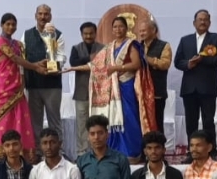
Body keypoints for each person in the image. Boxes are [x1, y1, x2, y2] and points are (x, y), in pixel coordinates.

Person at [67, 16, 157, 161]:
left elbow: (136, 64)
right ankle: (115, 152)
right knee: (113, 119)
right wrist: (72, 68)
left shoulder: (131, 44)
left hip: (126, 86)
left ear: (126, 28)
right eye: (115, 27)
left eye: (121, 26)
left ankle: (132, 153)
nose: (118, 29)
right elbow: (95, 66)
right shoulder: (109, 47)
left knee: (128, 119)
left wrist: (116, 68)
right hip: (113, 89)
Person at [0, 13, 46, 159]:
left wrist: (38, 64)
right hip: (3, 84)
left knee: (20, 116)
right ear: (2, 25)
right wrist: (35, 67)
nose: (11, 27)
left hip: (17, 85)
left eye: (13, 24)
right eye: (8, 24)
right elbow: (14, 58)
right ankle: (2, 152)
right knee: (5, 118)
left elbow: (22, 61)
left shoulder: (18, 44)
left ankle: (22, 151)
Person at [173, 10, 217, 140]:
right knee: (191, 122)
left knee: (208, 122)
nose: (203, 22)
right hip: (189, 88)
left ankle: (211, 148)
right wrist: (188, 64)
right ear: (194, 23)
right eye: (200, 19)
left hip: (208, 87)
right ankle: (192, 148)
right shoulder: (185, 40)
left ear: (209, 23)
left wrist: (202, 59)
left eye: (205, 19)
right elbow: (177, 62)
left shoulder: (216, 38)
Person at [22, 4, 67, 140]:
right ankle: (37, 149)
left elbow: (61, 57)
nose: (43, 17)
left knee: (54, 120)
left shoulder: (58, 34)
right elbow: (22, 57)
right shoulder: (26, 34)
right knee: (35, 122)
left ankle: (58, 149)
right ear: (35, 16)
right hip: (33, 84)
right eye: (40, 14)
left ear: (50, 16)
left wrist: (52, 67)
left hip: (52, 85)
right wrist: (35, 67)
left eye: (46, 14)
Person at [68, 22, 102, 159]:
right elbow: (73, 63)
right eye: (85, 34)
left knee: (99, 123)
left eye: (91, 33)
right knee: (82, 125)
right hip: (82, 93)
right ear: (81, 35)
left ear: (95, 33)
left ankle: (99, 152)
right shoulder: (76, 48)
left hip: (99, 94)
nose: (88, 36)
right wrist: (89, 58)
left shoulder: (103, 48)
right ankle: (82, 153)